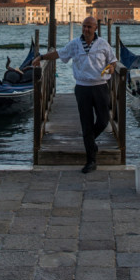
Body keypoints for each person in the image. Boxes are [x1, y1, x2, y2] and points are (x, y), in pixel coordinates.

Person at [32, 16, 115, 173]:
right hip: (82, 88)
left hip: (100, 87)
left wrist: (111, 68)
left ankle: (90, 142)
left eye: (89, 27)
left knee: (104, 121)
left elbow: (113, 61)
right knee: (86, 124)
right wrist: (41, 57)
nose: (86, 29)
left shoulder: (103, 44)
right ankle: (91, 160)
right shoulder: (75, 44)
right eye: (84, 26)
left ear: (95, 28)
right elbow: (59, 53)